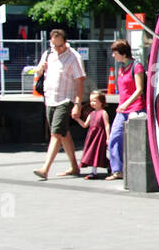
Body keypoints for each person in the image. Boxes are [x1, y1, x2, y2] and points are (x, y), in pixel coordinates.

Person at [32, 29, 86, 180]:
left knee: (55, 133)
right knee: (63, 133)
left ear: (65, 42)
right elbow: (37, 73)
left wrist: (77, 104)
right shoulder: (48, 54)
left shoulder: (73, 57)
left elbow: (80, 81)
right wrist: (40, 69)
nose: (57, 48)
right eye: (54, 45)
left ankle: (45, 168)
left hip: (65, 99)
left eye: (59, 45)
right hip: (50, 99)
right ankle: (75, 166)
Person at [106, 39, 146, 181]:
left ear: (123, 53)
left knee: (136, 141)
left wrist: (126, 103)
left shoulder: (136, 66)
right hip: (122, 109)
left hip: (135, 108)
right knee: (114, 138)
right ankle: (118, 170)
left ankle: (137, 171)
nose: (113, 56)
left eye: (115, 53)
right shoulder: (121, 68)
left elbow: (139, 89)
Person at [72, 90, 112, 179]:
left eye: (94, 100)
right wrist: (77, 119)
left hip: (100, 136)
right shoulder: (92, 113)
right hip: (92, 136)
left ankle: (94, 172)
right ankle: (108, 165)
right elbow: (85, 125)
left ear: (101, 102)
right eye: (91, 101)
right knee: (94, 153)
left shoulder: (103, 112)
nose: (92, 103)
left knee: (97, 152)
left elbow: (107, 125)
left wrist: (108, 137)